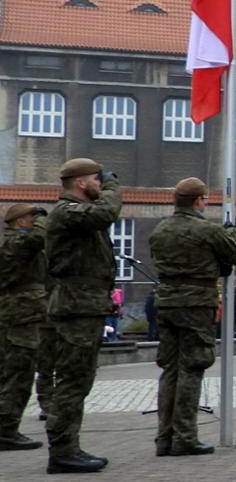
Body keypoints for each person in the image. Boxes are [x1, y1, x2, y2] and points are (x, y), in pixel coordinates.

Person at [149, 177, 236, 457]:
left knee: (170, 370)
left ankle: (164, 439)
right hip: (195, 304)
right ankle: (185, 437)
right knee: (192, 368)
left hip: (166, 302)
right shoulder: (206, 230)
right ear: (199, 201)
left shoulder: (160, 229)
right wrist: (232, 234)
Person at [42, 157, 122, 472]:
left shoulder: (79, 214)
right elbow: (106, 212)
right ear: (80, 183)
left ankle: (68, 448)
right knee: (73, 380)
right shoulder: (67, 212)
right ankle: (62, 452)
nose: (101, 184)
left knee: (80, 379)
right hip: (76, 305)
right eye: (97, 180)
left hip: (85, 304)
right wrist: (114, 186)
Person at [0, 203, 49, 452]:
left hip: (16, 316)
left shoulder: (13, 242)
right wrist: (41, 217)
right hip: (19, 318)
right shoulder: (14, 243)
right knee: (18, 375)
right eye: (31, 218)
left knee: (11, 374)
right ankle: (6, 431)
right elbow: (39, 238)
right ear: (20, 222)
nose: (35, 222)